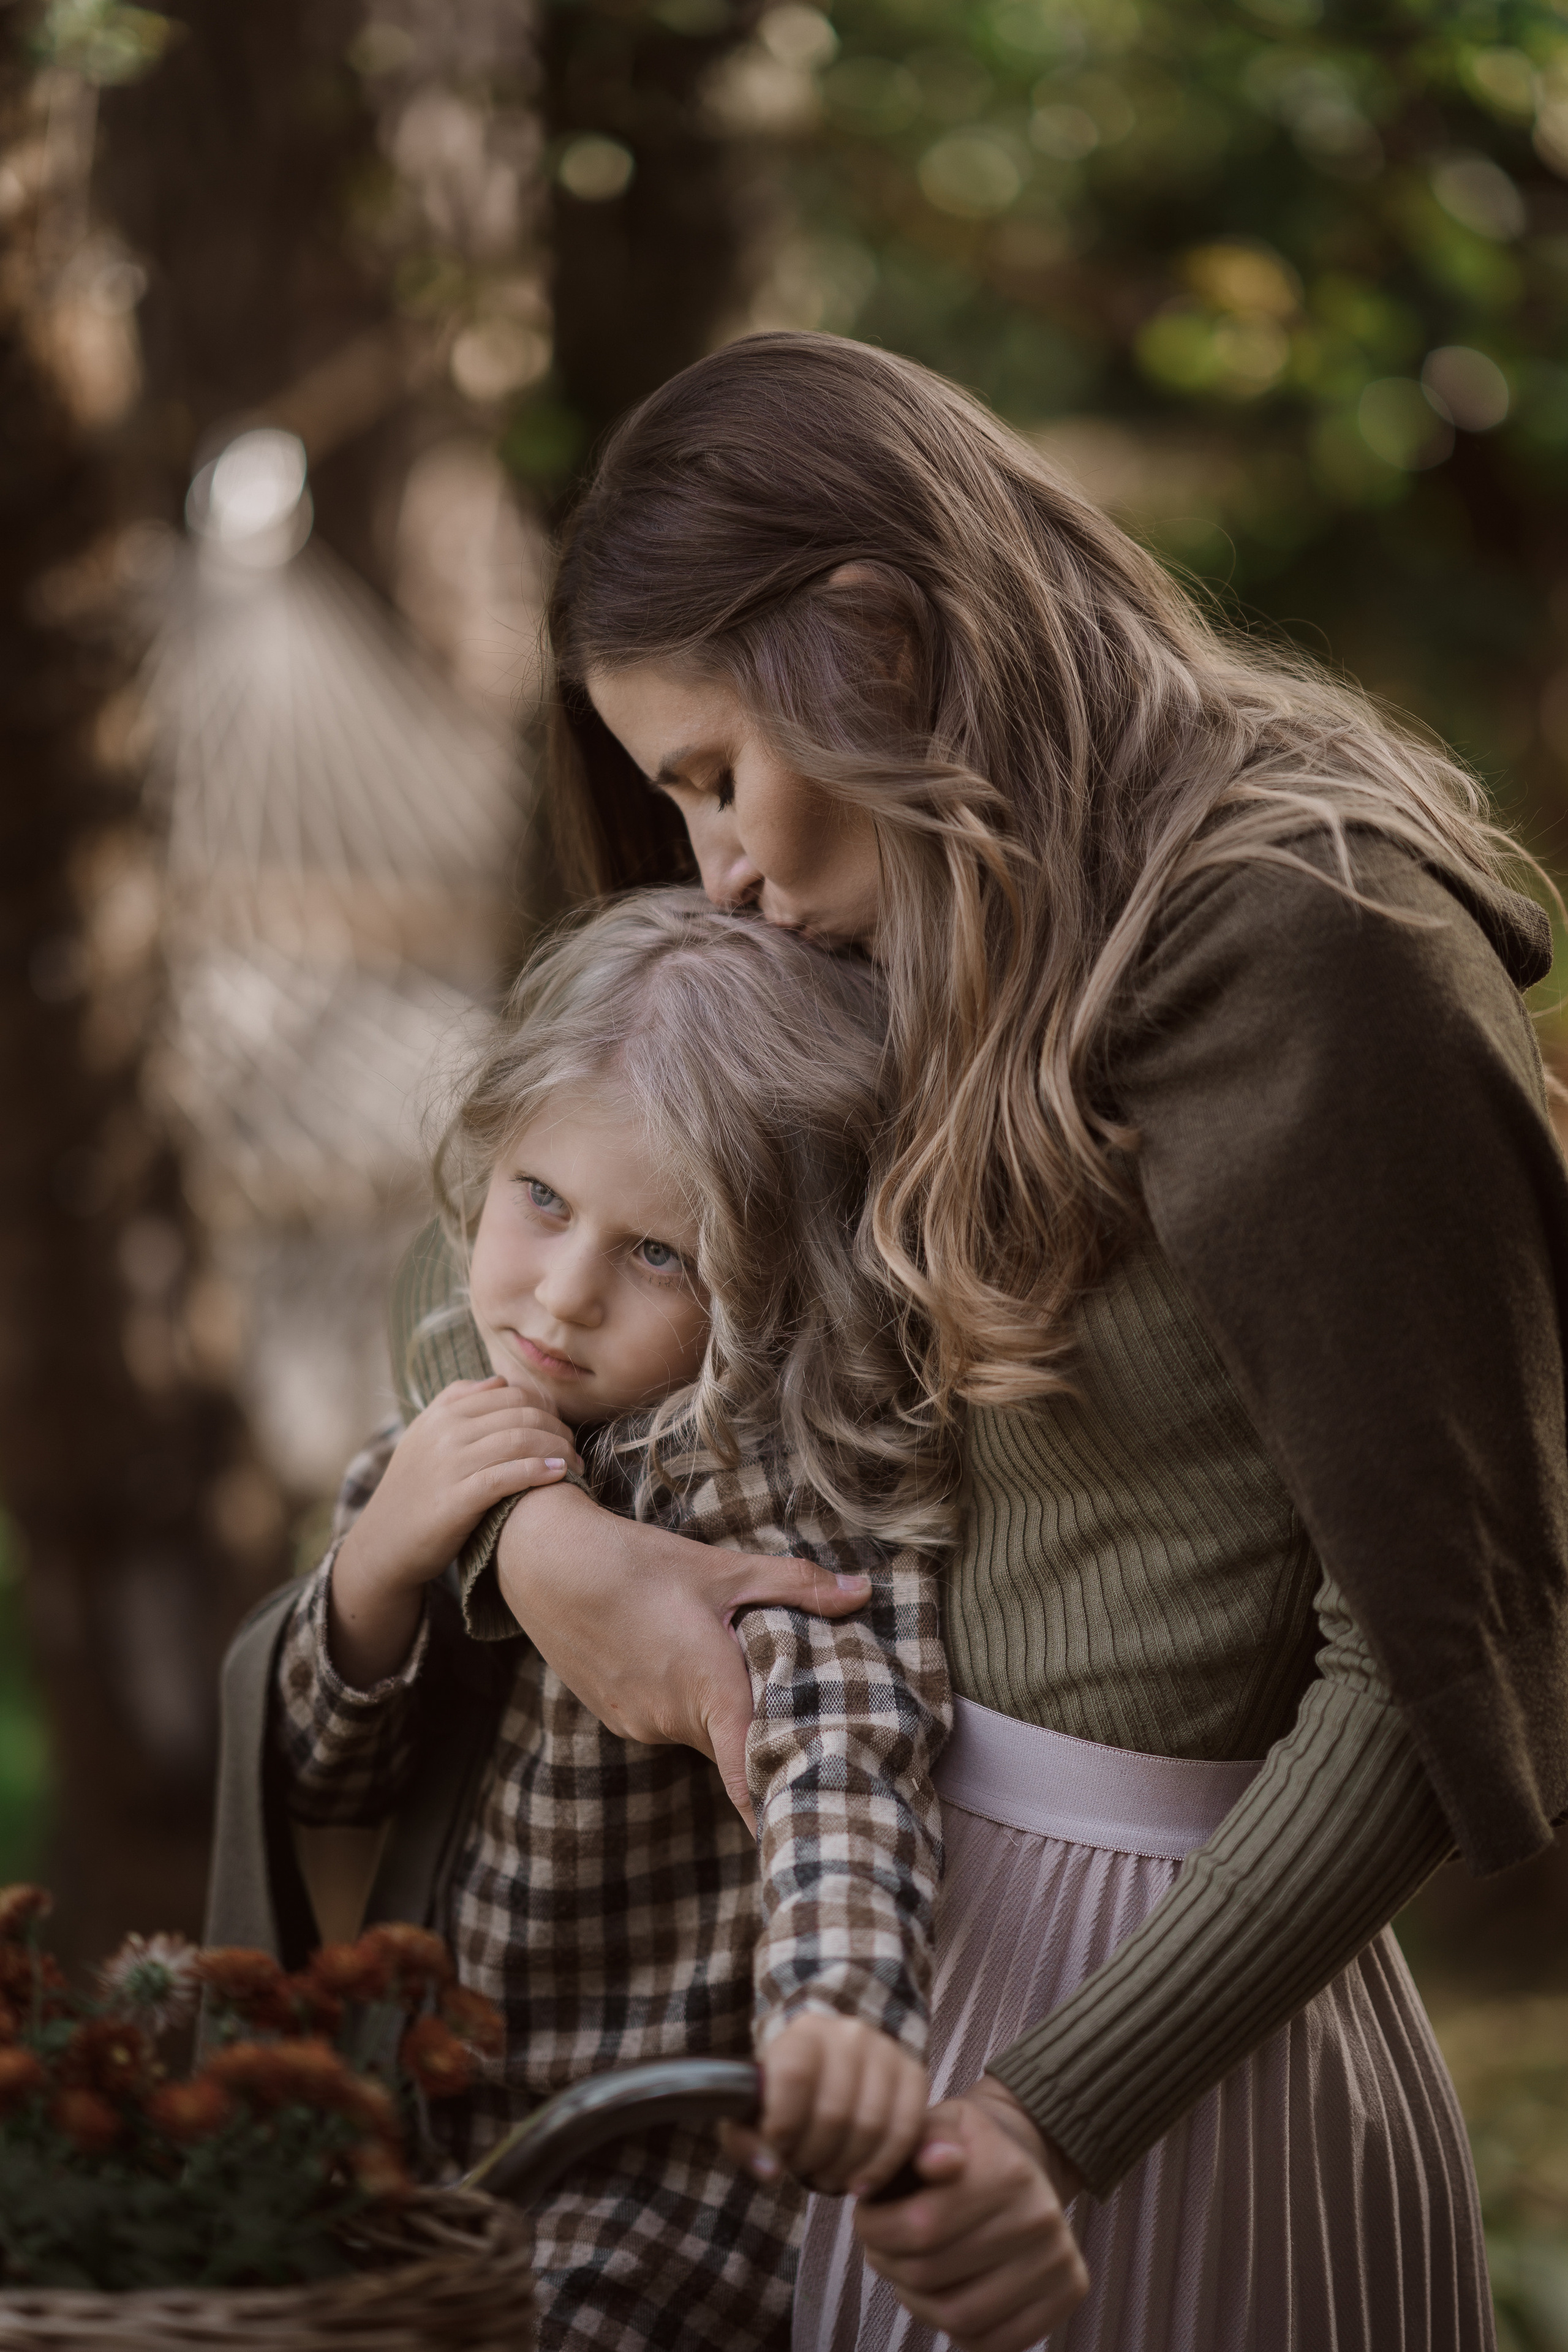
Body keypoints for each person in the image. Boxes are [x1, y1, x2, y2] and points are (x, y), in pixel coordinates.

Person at [425, 330, 1568, 2352]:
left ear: (876, 634)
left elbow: (1437, 1650)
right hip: (872, 1963)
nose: (720, 871)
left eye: (711, 776)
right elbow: (639, 1332)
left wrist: (1058, 2117)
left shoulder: (1323, 946)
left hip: (1161, 2026)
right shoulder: (938, 926)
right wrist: (551, 1548)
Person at [261, 889, 970, 2352]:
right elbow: (324, 1771)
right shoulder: (456, 1433)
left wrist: (837, 2006)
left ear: (776, 1289)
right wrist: (381, 1562)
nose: (564, 1294)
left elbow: (841, 1754)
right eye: (541, 1201)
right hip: (438, 2119)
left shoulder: (768, 1497)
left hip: (654, 2165)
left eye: (660, 1256)